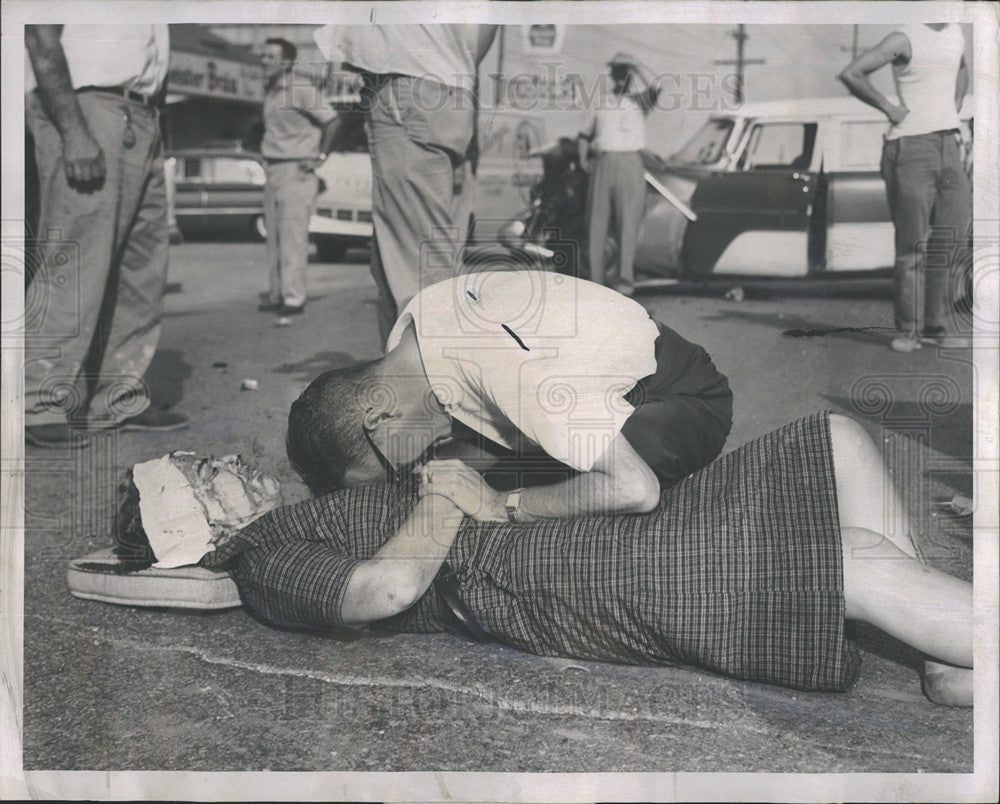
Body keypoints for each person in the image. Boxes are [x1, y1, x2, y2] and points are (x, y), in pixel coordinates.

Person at [205, 411, 973, 707]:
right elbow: (384, 589)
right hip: (543, 578)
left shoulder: (299, 518)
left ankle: (937, 651)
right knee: (852, 560)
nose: (227, 462)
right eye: (204, 482)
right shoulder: (262, 559)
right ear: (201, 534)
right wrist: (446, 493)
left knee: (833, 441)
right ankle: (948, 630)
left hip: (551, 533)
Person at [286, 271, 733, 520]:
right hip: (585, 365)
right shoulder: (412, 338)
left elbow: (635, 489)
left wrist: (500, 506)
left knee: (535, 509)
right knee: (455, 480)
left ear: (379, 415)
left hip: (680, 395)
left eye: (390, 467)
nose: (403, 469)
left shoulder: (518, 377)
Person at [24, 24, 187, 448]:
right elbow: (40, 33)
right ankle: (36, 401)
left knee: (141, 269)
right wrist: (74, 130)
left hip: (143, 112)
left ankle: (116, 398)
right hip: (86, 106)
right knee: (76, 260)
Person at [314, 24, 499, 343]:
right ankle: (413, 376)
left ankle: (431, 384)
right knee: (421, 258)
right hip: (451, 89)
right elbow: (485, 29)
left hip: (405, 88)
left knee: (413, 268)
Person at [839, 23, 972, 352]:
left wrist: (953, 108)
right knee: (912, 247)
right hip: (910, 147)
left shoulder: (956, 33)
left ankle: (936, 329)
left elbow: (962, 68)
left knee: (948, 241)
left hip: (950, 145)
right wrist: (889, 108)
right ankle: (908, 331)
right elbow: (853, 73)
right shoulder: (903, 38)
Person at [257, 37, 339, 316]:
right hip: (273, 169)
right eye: (263, 57)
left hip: (296, 170)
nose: (264, 62)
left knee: (293, 238)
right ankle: (278, 293)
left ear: (288, 62)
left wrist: (320, 156)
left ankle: (294, 297)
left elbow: (332, 120)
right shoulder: (269, 91)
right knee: (274, 238)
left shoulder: (301, 89)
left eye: (270, 57)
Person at [578, 53, 661, 295]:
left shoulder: (640, 102)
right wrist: (583, 158)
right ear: (611, 75)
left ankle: (625, 282)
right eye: (617, 71)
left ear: (631, 75)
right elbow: (584, 134)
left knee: (628, 223)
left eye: (625, 71)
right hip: (604, 162)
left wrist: (639, 65)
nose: (621, 76)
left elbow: (659, 85)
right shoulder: (600, 101)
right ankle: (595, 282)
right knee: (596, 223)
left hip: (631, 163)